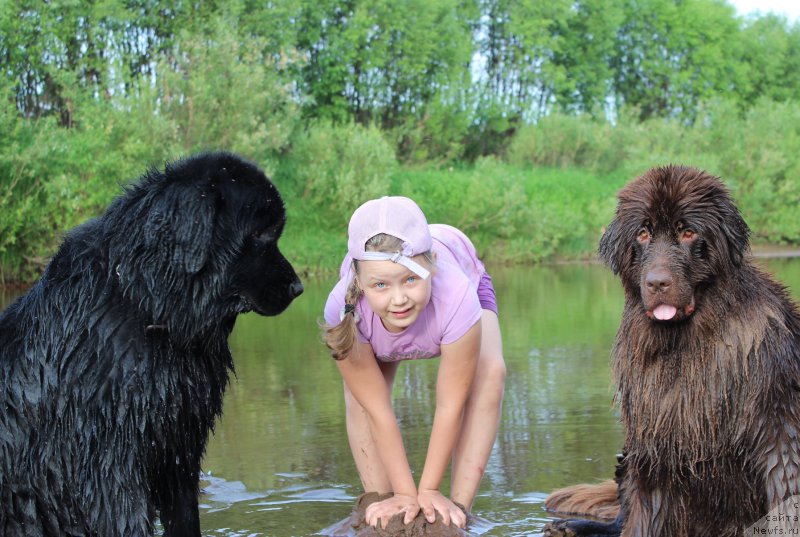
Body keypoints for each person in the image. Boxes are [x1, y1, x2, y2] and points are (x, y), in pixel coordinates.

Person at [322, 196, 506, 530]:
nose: (399, 299)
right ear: (358, 280)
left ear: (431, 266)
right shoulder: (344, 308)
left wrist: (429, 489)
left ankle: (458, 509)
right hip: (372, 326)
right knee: (361, 397)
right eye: (381, 284)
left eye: (410, 279)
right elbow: (378, 409)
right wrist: (406, 494)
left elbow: (450, 405)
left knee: (490, 373)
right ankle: (379, 500)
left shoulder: (456, 295)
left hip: (459, 282)